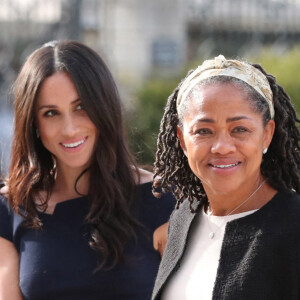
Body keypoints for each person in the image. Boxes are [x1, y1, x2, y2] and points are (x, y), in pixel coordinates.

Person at [0, 40, 175, 300]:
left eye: (81, 107)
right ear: (33, 124)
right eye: (51, 113)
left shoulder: (162, 200)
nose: (69, 129)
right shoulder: (13, 205)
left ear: (104, 106)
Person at [151, 55, 300, 300]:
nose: (221, 146)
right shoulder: (182, 220)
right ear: (182, 140)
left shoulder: (294, 226)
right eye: (203, 131)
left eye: (239, 129)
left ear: (267, 134)